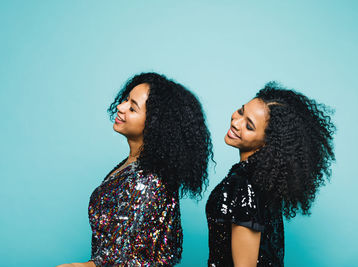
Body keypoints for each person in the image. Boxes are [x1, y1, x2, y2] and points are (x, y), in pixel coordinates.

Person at [58, 72, 213, 267]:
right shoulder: (131, 165)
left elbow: (128, 257)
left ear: (153, 124)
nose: (121, 107)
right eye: (125, 100)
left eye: (132, 108)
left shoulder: (147, 181)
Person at [206, 82, 335, 266]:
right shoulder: (262, 179)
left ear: (267, 143)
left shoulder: (244, 185)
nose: (235, 122)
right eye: (241, 111)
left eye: (249, 126)